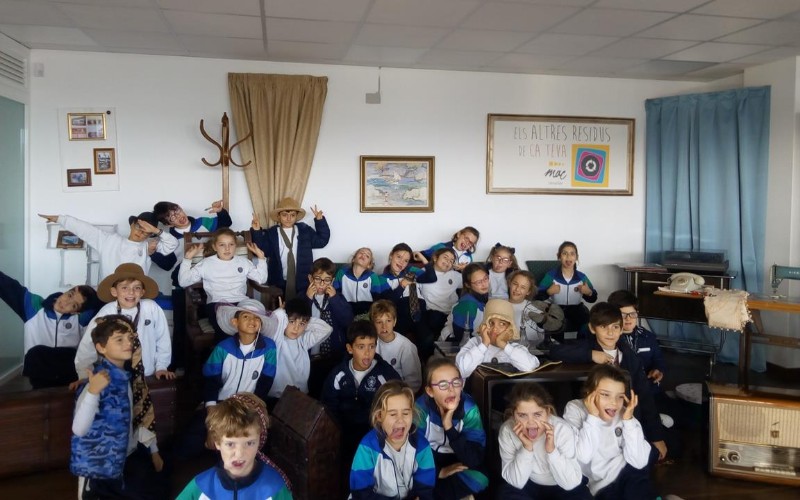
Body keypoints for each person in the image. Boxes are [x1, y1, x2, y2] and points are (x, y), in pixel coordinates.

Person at [549, 302, 669, 461]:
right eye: (603, 327)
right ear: (592, 328)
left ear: (622, 328)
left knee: (663, 449)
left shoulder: (630, 357)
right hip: (595, 421)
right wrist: (591, 355)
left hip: (624, 419)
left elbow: (644, 396)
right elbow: (554, 351)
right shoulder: (586, 347)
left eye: (615, 327)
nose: (610, 332)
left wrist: (656, 436)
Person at [71, 315, 166, 499]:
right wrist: (93, 391)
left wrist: (154, 452)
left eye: (130, 338)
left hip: (126, 458)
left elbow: (138, 417)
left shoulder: (128, 378)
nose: (128, 343)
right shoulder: (97, 381)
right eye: (119, 340)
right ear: (101, 347)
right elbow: (79, 429)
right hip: (100, 468)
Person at [151, 199, 233, 371]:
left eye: (177, 211)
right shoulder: (169, 239)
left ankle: (210, 364)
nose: (178, 216)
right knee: (181, 326)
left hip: (211, 283)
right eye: (172, 217)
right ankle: (179, 366)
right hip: (183, 286)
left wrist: (220, 211)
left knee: (210, 322)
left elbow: (226, 225)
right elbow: (167, 265)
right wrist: (152, 253)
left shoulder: (203, 223)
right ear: (168, 224)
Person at [563, 364, 656, 499]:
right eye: (605, 395)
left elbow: (639, 462)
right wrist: (593, 417)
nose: (614, 403)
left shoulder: (624, 413)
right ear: (589, 392)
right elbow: (583, 456)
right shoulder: (575, 409)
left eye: (620, 397)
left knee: (639, 486)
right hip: (601, 485)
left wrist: (629, 421)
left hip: (628, 472)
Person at [177, 393, 292, 500]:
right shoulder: (201, 487)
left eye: (249, 443)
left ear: (259, 441)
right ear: (217, 442)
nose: (239, 454)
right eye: (230, 444)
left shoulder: (275, 488)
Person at [74, 263, 174, 384]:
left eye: (137, 288)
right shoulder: (106, 312)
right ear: (114, 291)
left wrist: (162, 366)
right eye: (124, 288)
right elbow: (88, 344)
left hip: (147, 374)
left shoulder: (151, 308)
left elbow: (162, 339)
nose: (131, 292)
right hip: (113, 377)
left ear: (142, 292)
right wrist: (84, 375)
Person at [321, 319, 401, 467]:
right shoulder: (339, 375)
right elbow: (329, 407)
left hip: (375, 433)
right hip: (345, 433)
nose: (367, 353)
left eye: (372, 346)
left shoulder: (385, 373)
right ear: (350, 349)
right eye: (361, 347)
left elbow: (397, 401)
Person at [0, 270, 98, 388]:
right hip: (39, 371)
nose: (66, 302)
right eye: (70, 295)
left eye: (74, 305)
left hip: (68, 373)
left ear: (76, 312)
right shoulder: (34, 307)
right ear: (66, 292)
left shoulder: (80, 318)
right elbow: (7, 285)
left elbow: (102, 302)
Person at [496, 382, 591, 500]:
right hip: (528, 482)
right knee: (506, 494)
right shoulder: (507, 431)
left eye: (537, 414)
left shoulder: (562, 429)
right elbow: (516, 481)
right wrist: (526, 448)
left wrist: (552, 451)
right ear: (513, 415)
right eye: (522, 415)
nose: (531, 423)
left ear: (547, 412)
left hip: (561, 483)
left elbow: (570, 483)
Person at [414, 357, 488, 499]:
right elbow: (413, 451)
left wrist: (449, 426)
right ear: (430, 391)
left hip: (459, 459)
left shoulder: (469, 409)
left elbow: (475, 458)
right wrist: (439, 471)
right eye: (442, 384)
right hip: (429, 460)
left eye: (456, 382)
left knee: (480, 478)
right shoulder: (420, 409)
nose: (451, 389)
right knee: (410, 474)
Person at [178, 228, 268, 342]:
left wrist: (261, 258)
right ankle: (226, 350)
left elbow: (261, 278)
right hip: (217, 304)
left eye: (231, 244)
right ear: (215, 247)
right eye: (222, 245)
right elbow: (183, 281)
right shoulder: (206, 264)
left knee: (253, 324)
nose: (227, 248)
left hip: (241, 303)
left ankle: (252, 351)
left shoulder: (243, 262)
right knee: (228, 326)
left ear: (235, 246)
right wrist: (187, 259)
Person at [350, 380, 435, 500]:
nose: (400, 420)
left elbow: (425, 488)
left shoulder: (422, 446)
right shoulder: (368, 448)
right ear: (379, 416)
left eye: (406, 413)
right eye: (393, 414)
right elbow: (360, 492)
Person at [39, 211, 178, 280]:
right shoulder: (110, 241)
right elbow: (85, 229)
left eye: (146, 231)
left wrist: (155, 231)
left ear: (150, 234)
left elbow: (173, 244)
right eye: (138, 227)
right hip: (107, 293)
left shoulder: (149, 247)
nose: (141, 232)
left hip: (135, 295)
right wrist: (60, 219)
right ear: (132, 224)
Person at [250, 197, 330, 300]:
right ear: (278, 216)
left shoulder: (304, 230)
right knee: (281, 304)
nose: (288, 218)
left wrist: (320, 221)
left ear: (296, 216)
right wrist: (256, 231)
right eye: (284, 215)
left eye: (292, 215)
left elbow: (322, 241)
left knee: (301, 304)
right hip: (279, 280)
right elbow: (261, 250)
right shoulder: (272, 233)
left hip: (302, 280)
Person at [204, 300, 278, 406]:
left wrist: (255, 403)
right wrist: (210, 405)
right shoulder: (222, 348)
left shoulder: (269, 347)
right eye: (246, 316)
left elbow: (267, 379)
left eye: (257, 318)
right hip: (223, 402)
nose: (252, 320)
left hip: (251, 404)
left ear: (261, 324)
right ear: (235, 322)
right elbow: (211, 378)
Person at [265, 296, 332, 403]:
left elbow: (326, 329)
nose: (296, 328)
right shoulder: (277, 340)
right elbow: (275, 320)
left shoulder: (303, 341)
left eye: (301, 324)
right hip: (277, 397)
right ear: (284, 320)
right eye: (291, 322)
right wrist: (282, 312)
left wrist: (305, 321)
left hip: (300, 396)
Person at [376, 243, 437, 359]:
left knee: (428, 338)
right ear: (391, 256)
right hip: (400, 312)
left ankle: (424, 364)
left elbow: (431, 277)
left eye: (406, 260)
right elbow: (387, 300)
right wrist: (402, 285)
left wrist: (423, 259)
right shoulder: (382, 278)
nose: (401, 262)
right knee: (397, 340)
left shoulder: (411, 270)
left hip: (419, 310)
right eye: (398, 257)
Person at [455, 298, 540, 378]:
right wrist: (484, 345)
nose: (495, 329)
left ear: (509, 328)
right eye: (491, 323)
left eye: (502, 324)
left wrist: (504, 345)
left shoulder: (515, 348)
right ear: (484, 326)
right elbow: (461, 370)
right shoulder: (475, 343)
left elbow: (530, 367)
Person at [536, 241, 597, 339]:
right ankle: (556, 343)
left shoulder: (581, 277)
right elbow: (537, 296)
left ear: (576, 257)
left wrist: (588, 292)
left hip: (577, 309)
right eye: (564, 253)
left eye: (572, 254)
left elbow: (593, 298)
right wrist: (548, 292)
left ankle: (582, 343)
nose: (568, 257)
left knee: (587, 321)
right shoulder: (551, 276)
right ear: (559, 256)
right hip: (556, 308)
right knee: (554, 322)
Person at [304, 257, 353, 356]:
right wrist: (308, 299)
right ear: (310, 278)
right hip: (307, 352)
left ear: (332, 280)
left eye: (327, 280)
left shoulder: (337, 297)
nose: (322, 284)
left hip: (333, 353)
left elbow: (347, 321)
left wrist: (335, 299)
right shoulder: (303, 296)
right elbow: (298, 319)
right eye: (318, 279)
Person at [371, 299, 422, 393]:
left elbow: (414, 382)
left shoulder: (406, 347)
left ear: (394, 322)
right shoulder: (370, 343)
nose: (384, 326)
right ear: (373, 324)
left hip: (398, 393)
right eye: (379, 322)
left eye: (388, 321)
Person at [416, 247, 462, 340]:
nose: (448, 261)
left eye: (451, 261)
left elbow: (474, 281)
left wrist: (465, 269)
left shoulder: (455, 275)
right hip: (432, 313)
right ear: (435, 258)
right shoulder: (422, 273)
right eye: (445, 257)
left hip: (452, 314)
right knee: (434, 319)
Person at [439, 263, 490, 344]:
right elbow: (461, 337)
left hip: (473, 341)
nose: (484, 284)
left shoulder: (482, 297)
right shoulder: (468, 304)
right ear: (467, 285)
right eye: (478, 282)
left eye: (485, 278)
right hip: (453, 343)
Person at [333, 247, 382, 317]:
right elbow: (336, 292)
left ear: (369, 265)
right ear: (353, 259)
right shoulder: (342, 273)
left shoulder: (373, 276)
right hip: (346, 308)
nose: (363, 255)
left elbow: (377, 297)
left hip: (366, 310)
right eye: (361, 253)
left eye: (367, 256)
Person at [507, 270, 548, 348]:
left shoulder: (535, 308)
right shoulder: (499, 306)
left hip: (532, 349)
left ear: (528, 291)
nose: (517, 289)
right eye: (515, 284)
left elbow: (542, 336)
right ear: (510, 283)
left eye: (523, 287)